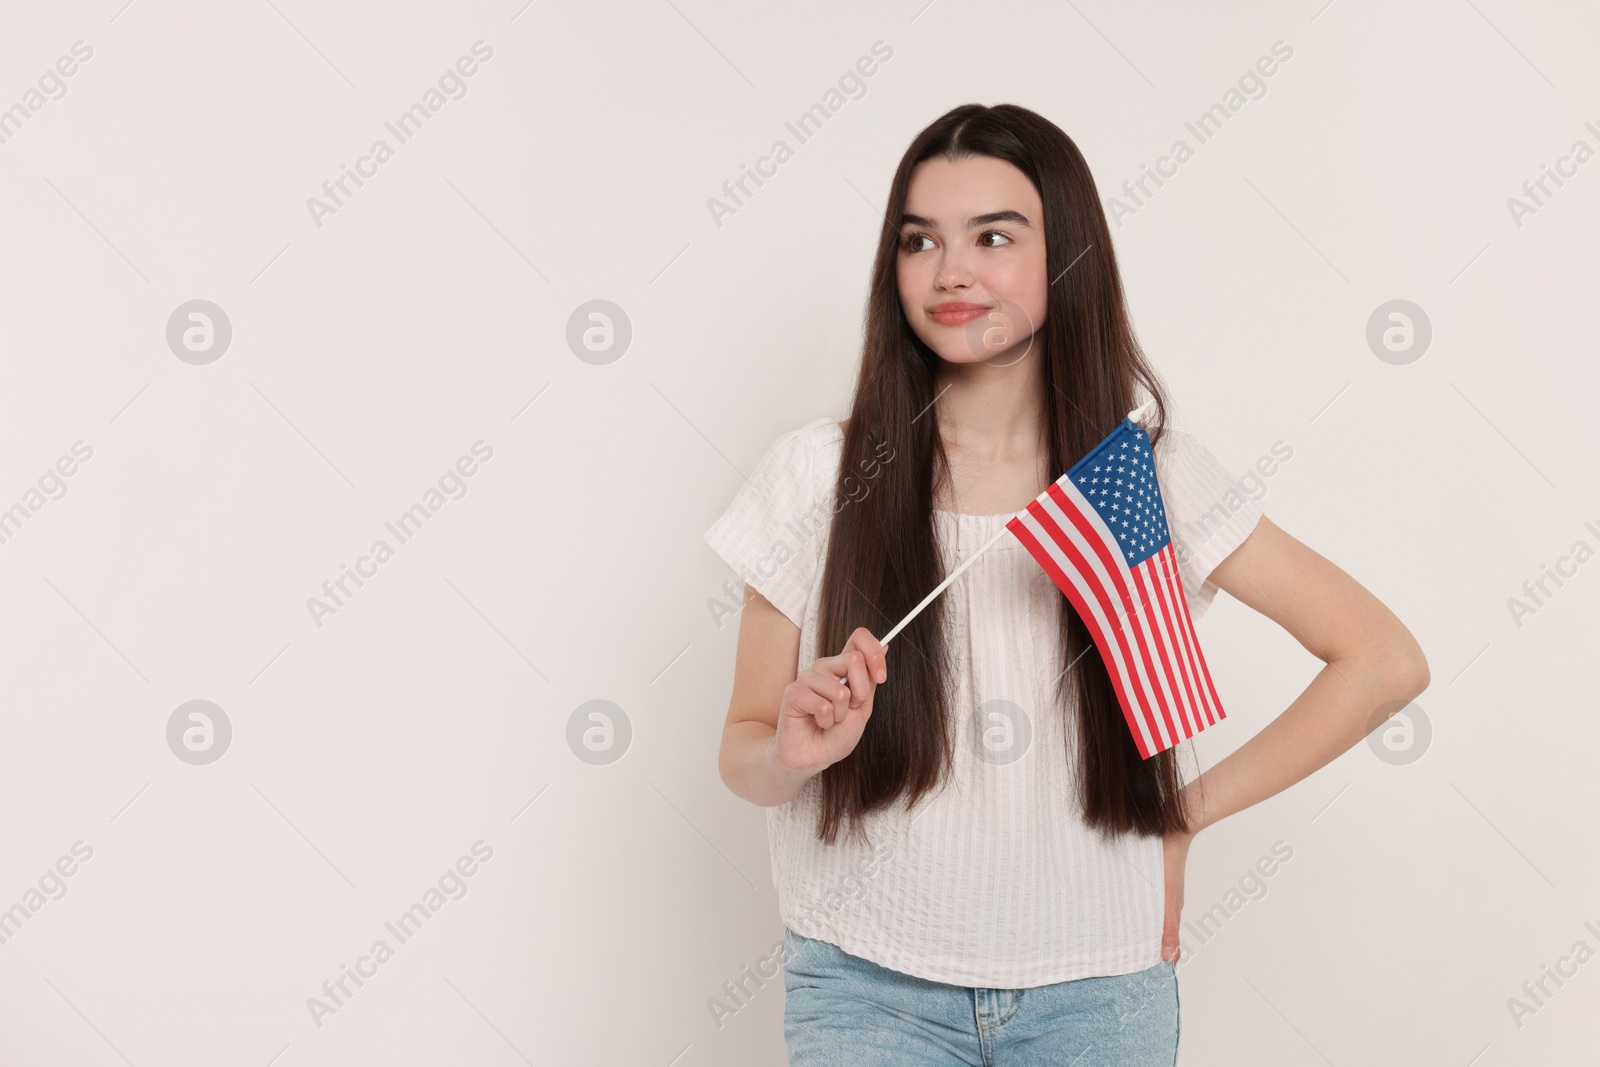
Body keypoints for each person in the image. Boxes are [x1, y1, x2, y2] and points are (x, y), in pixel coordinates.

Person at [703, 103, 1429, 1066]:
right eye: (920, 241)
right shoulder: (817, 477)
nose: (952, 270)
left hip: (1100, 992)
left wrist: (1182, 814)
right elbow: (744, 752)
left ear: (1066, 254)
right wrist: (793, 752)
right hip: (864, 985)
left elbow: (1381, 660)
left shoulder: (1140, 478)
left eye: (994, 236)